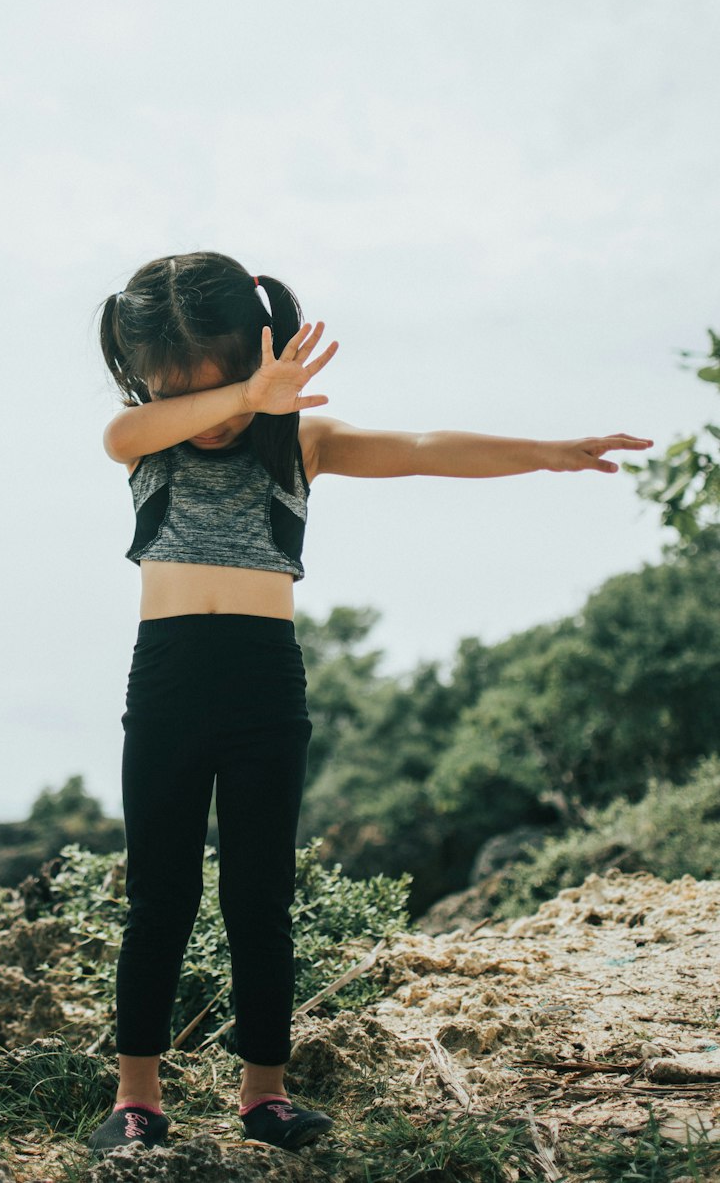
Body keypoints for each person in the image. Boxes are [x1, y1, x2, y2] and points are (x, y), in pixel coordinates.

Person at [87, 250, 652, 1156]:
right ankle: (137, 1099)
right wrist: (243, 395)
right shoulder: (139, 437)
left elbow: (424, 451)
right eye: (174, 386)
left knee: (259, 895)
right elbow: (128, 435)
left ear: (257, 351)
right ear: (145, 380)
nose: (215, 404)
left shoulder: (299, 441)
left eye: (227, 377)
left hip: (265, 679)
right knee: (162, 894)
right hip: (167, 680)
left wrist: (549, 453)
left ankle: (263, 1094)